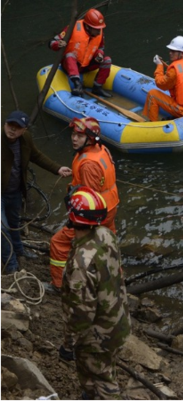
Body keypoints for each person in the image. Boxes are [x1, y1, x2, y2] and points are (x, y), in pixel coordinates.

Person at [58, 186, 130, 400]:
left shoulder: (82, 261)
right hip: (118, 320)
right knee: (102, 370)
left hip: (97, 336)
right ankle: (89, 395)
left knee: (103, 380)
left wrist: (68, 343)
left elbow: (81, 313)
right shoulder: (106, 235)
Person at [49, 117, 119, 290]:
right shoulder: (101, 149)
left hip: (95, 214)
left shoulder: (88, 165)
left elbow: (89, 200)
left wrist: (75, 222)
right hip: (110, 207)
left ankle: (58, 284)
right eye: (73, 134)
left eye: (79, 136)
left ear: (90, 138)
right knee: (108, 246)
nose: (74, 138)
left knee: (58, 243)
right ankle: (115, 280)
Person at [1, 111, 72, 273]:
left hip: (16, 191)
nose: (12, 130)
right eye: (10, 125)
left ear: (24, 130)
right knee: (2, 229)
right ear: (5, 124)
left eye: (17, 127)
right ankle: (11, 265)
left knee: (14, 224)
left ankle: (20, 251)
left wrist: (58, 168)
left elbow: (37, 156)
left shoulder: (26, 140)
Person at [49, 8, 112, 98]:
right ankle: (77, 85)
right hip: (71, 65)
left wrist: (99, 54)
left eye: (100, 28)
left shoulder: (99, 32)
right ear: (88, 27)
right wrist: (58, 44)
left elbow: (101, 47)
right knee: (70, 55)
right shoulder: (72, 28)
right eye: (97, 29)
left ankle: (97, 87)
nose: (99, 31)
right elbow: (52, 43)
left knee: (107, 60)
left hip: (87, 64)